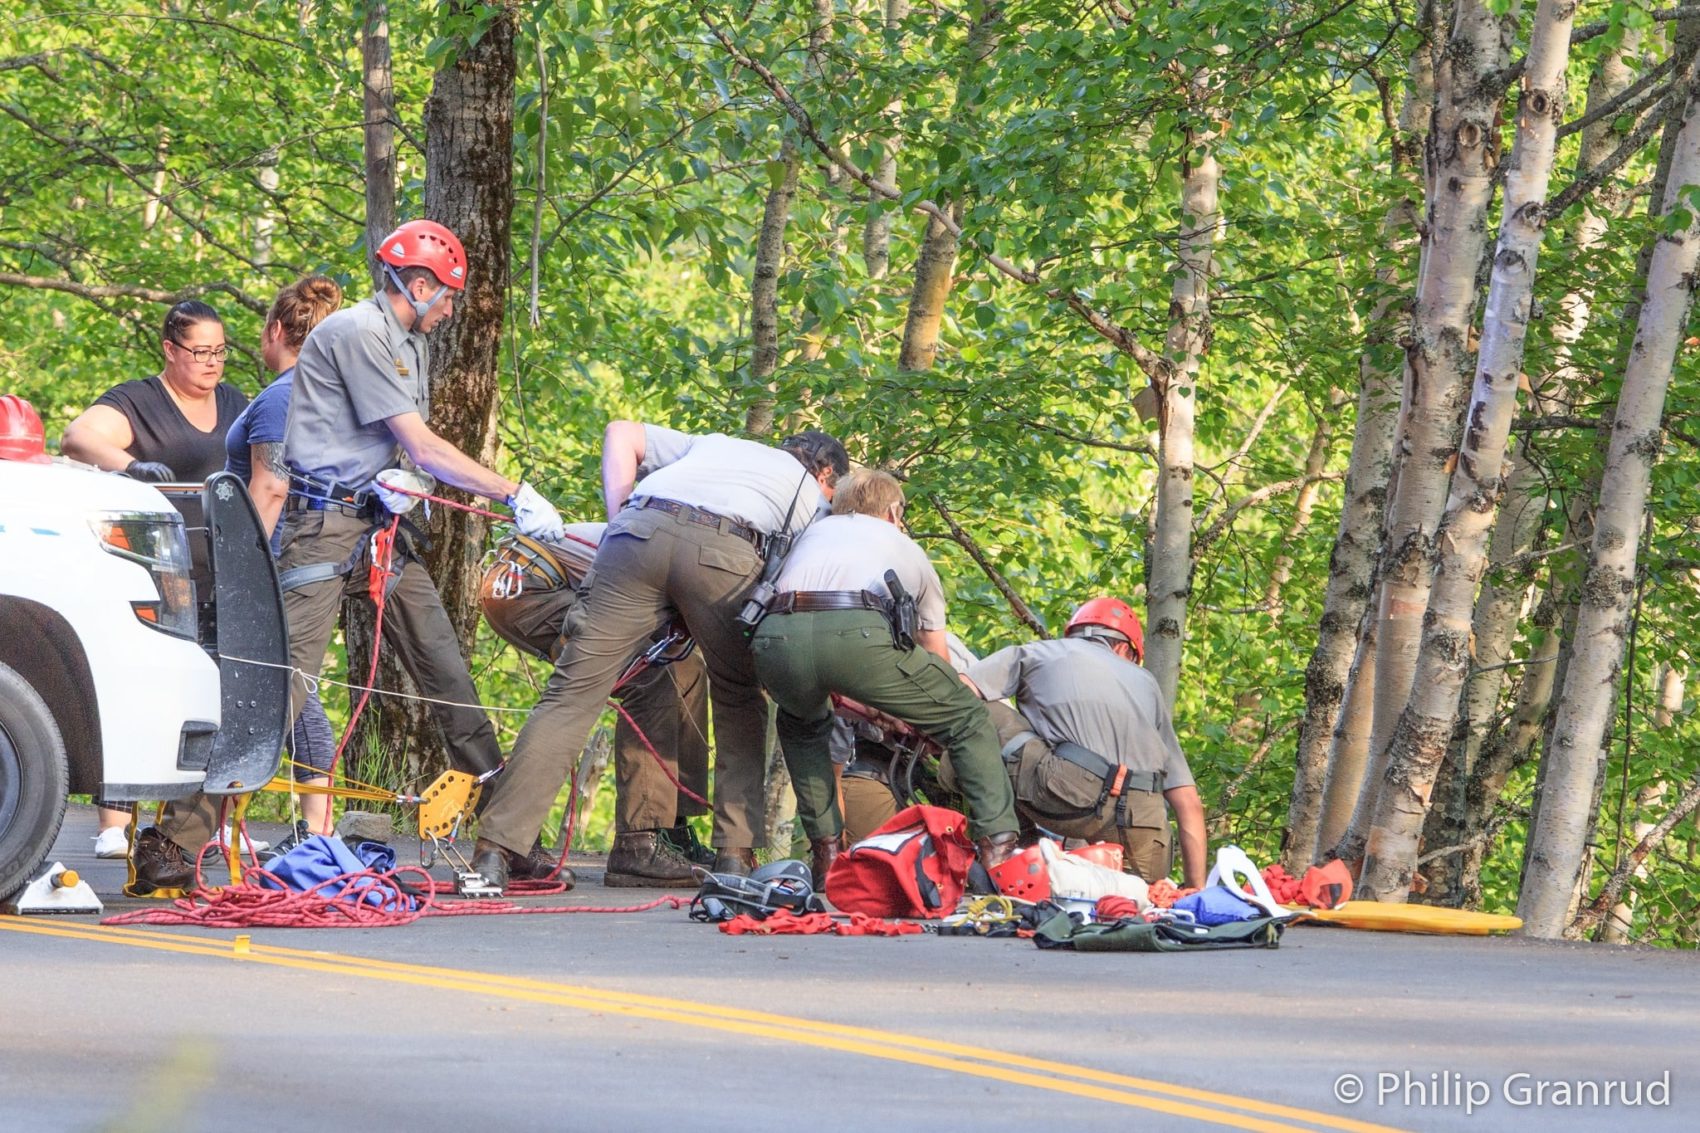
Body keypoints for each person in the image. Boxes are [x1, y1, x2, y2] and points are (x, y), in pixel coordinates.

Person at [127, 219, 569, 893]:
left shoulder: (406, 343)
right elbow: (422, 444)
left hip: (375, 522)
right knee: (282, 686)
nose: (451, 307)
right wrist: (514, 493)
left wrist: (399, 482)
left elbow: (395, 446)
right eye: (447, 294)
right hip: (321, 525)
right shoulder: (359, 331)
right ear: (417, 285)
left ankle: (511, 836)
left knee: (445, 669)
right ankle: (175, 841)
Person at [471, 421, 850, 889]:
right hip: (725, 549)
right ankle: (733, 857)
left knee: (571, 697)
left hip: (635, 531)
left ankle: (495, 851)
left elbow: (619, 433)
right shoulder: (811, 498)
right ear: (827, 475)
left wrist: (618, 520)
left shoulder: (718, 445)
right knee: (737, 699)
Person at [749, 469, 1019, 886]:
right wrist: (916, 715)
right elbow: (938, 659)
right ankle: (998, 853)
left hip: (774, 635)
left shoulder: (809, 535)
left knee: (802, 725)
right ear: (893, 512)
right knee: (967, 719)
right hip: (856, 629)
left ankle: (826, 858)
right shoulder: (904, 546)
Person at [61, 300, 251, 861]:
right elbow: (80, 437)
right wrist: (130, 466)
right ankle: (115, 825)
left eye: (220, 351)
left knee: (219, 696)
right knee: (148, 692)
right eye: (200, 352)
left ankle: (204, 822)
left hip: (220, 575)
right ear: (170, 351)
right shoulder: (140, 400)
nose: (213, 362)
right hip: (156, 573)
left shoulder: (236, 403)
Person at [478, 524, 714, 885]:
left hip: (545, 580)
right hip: (528, 583)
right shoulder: (696, 561)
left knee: (686, 666)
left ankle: (671, 830)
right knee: (650, 675)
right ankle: (638, 844)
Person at [964, 597, 1208, 889]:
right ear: (1124, 648)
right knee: (1139, 895)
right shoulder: (1147, 683)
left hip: (1064, 795)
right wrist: (1195, 890)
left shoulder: (1038, 653)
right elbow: (1189, 803)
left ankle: (1009, 843)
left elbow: (957, 692)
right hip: (1145, 828)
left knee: (978, 715)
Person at [224, 273, 344, 844]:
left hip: (274, 560)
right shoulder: (323, 393)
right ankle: (318, 830)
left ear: (276, 330)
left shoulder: (282, 396)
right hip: (298, 558)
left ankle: (219, 824)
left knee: (272, 692)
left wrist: (245, 569)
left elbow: (269, 487)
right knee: (297, 697)